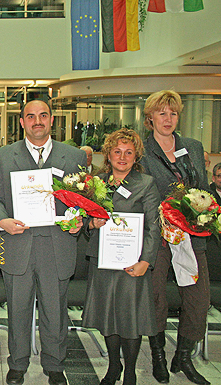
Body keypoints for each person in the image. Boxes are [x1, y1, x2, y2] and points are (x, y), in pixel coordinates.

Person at [0, 99, 86, 385]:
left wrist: (78, 218)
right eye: (30, 116)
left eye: (43, 115)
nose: (37, 121)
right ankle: (17, 364)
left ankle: (54, 364)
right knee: (17, 309)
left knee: (55, 310)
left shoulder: (75, 156)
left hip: (58, 245)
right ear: (22, 122)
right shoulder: (5, 156)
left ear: (52, 120)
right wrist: (2, 220)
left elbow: (82, 199)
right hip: (19, 243)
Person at [141, 90, 210, 385]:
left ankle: (183, 357)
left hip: (191, 235)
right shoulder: (142, 151)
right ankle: (157, 355)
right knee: (155, 296)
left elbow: (203, 189)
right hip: (158, 234)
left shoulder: (193, 147)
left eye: (173, 113)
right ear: (150, 118)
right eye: (162, 113)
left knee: (198, 297)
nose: (168, 119)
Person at [83, 129, 161, 385]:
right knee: (108, 316)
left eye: (128, 152)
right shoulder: (97, 182)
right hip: (104, 260)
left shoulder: (146, 183)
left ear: (136, 155)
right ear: (108, 154)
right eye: (117, 151)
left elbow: (153, 226)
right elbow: (83, 218)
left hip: (133, 263)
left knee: (129, 318)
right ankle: (114, 366)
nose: (123, 157)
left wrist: (146, 262)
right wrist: (91, 225)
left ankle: (130, 371)